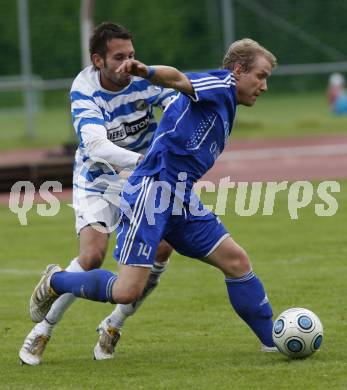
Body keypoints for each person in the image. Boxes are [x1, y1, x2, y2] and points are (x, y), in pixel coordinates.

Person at [29, 38, 279, 357]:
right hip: (150, 192)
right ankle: (57, 281)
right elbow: (176, 78)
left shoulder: (227, 102)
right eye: (261, 76)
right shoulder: (221, 83)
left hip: (179, 197)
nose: (264, 85)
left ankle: (272, 342)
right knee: (126, 289)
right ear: (239, 70)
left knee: (237, 262)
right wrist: (145, 71)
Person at [19, 22, 176, 365]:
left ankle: (115, 323)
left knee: (163, 247)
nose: (129, 64)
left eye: (132, 55)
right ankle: (44, 329)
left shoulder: (144, 81)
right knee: (92, 257)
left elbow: (181, 103)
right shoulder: (84, 88)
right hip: (97, 177)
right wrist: (146, 160)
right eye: (119, 57)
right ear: (98, 60)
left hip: (141, 181)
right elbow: (96, 145)